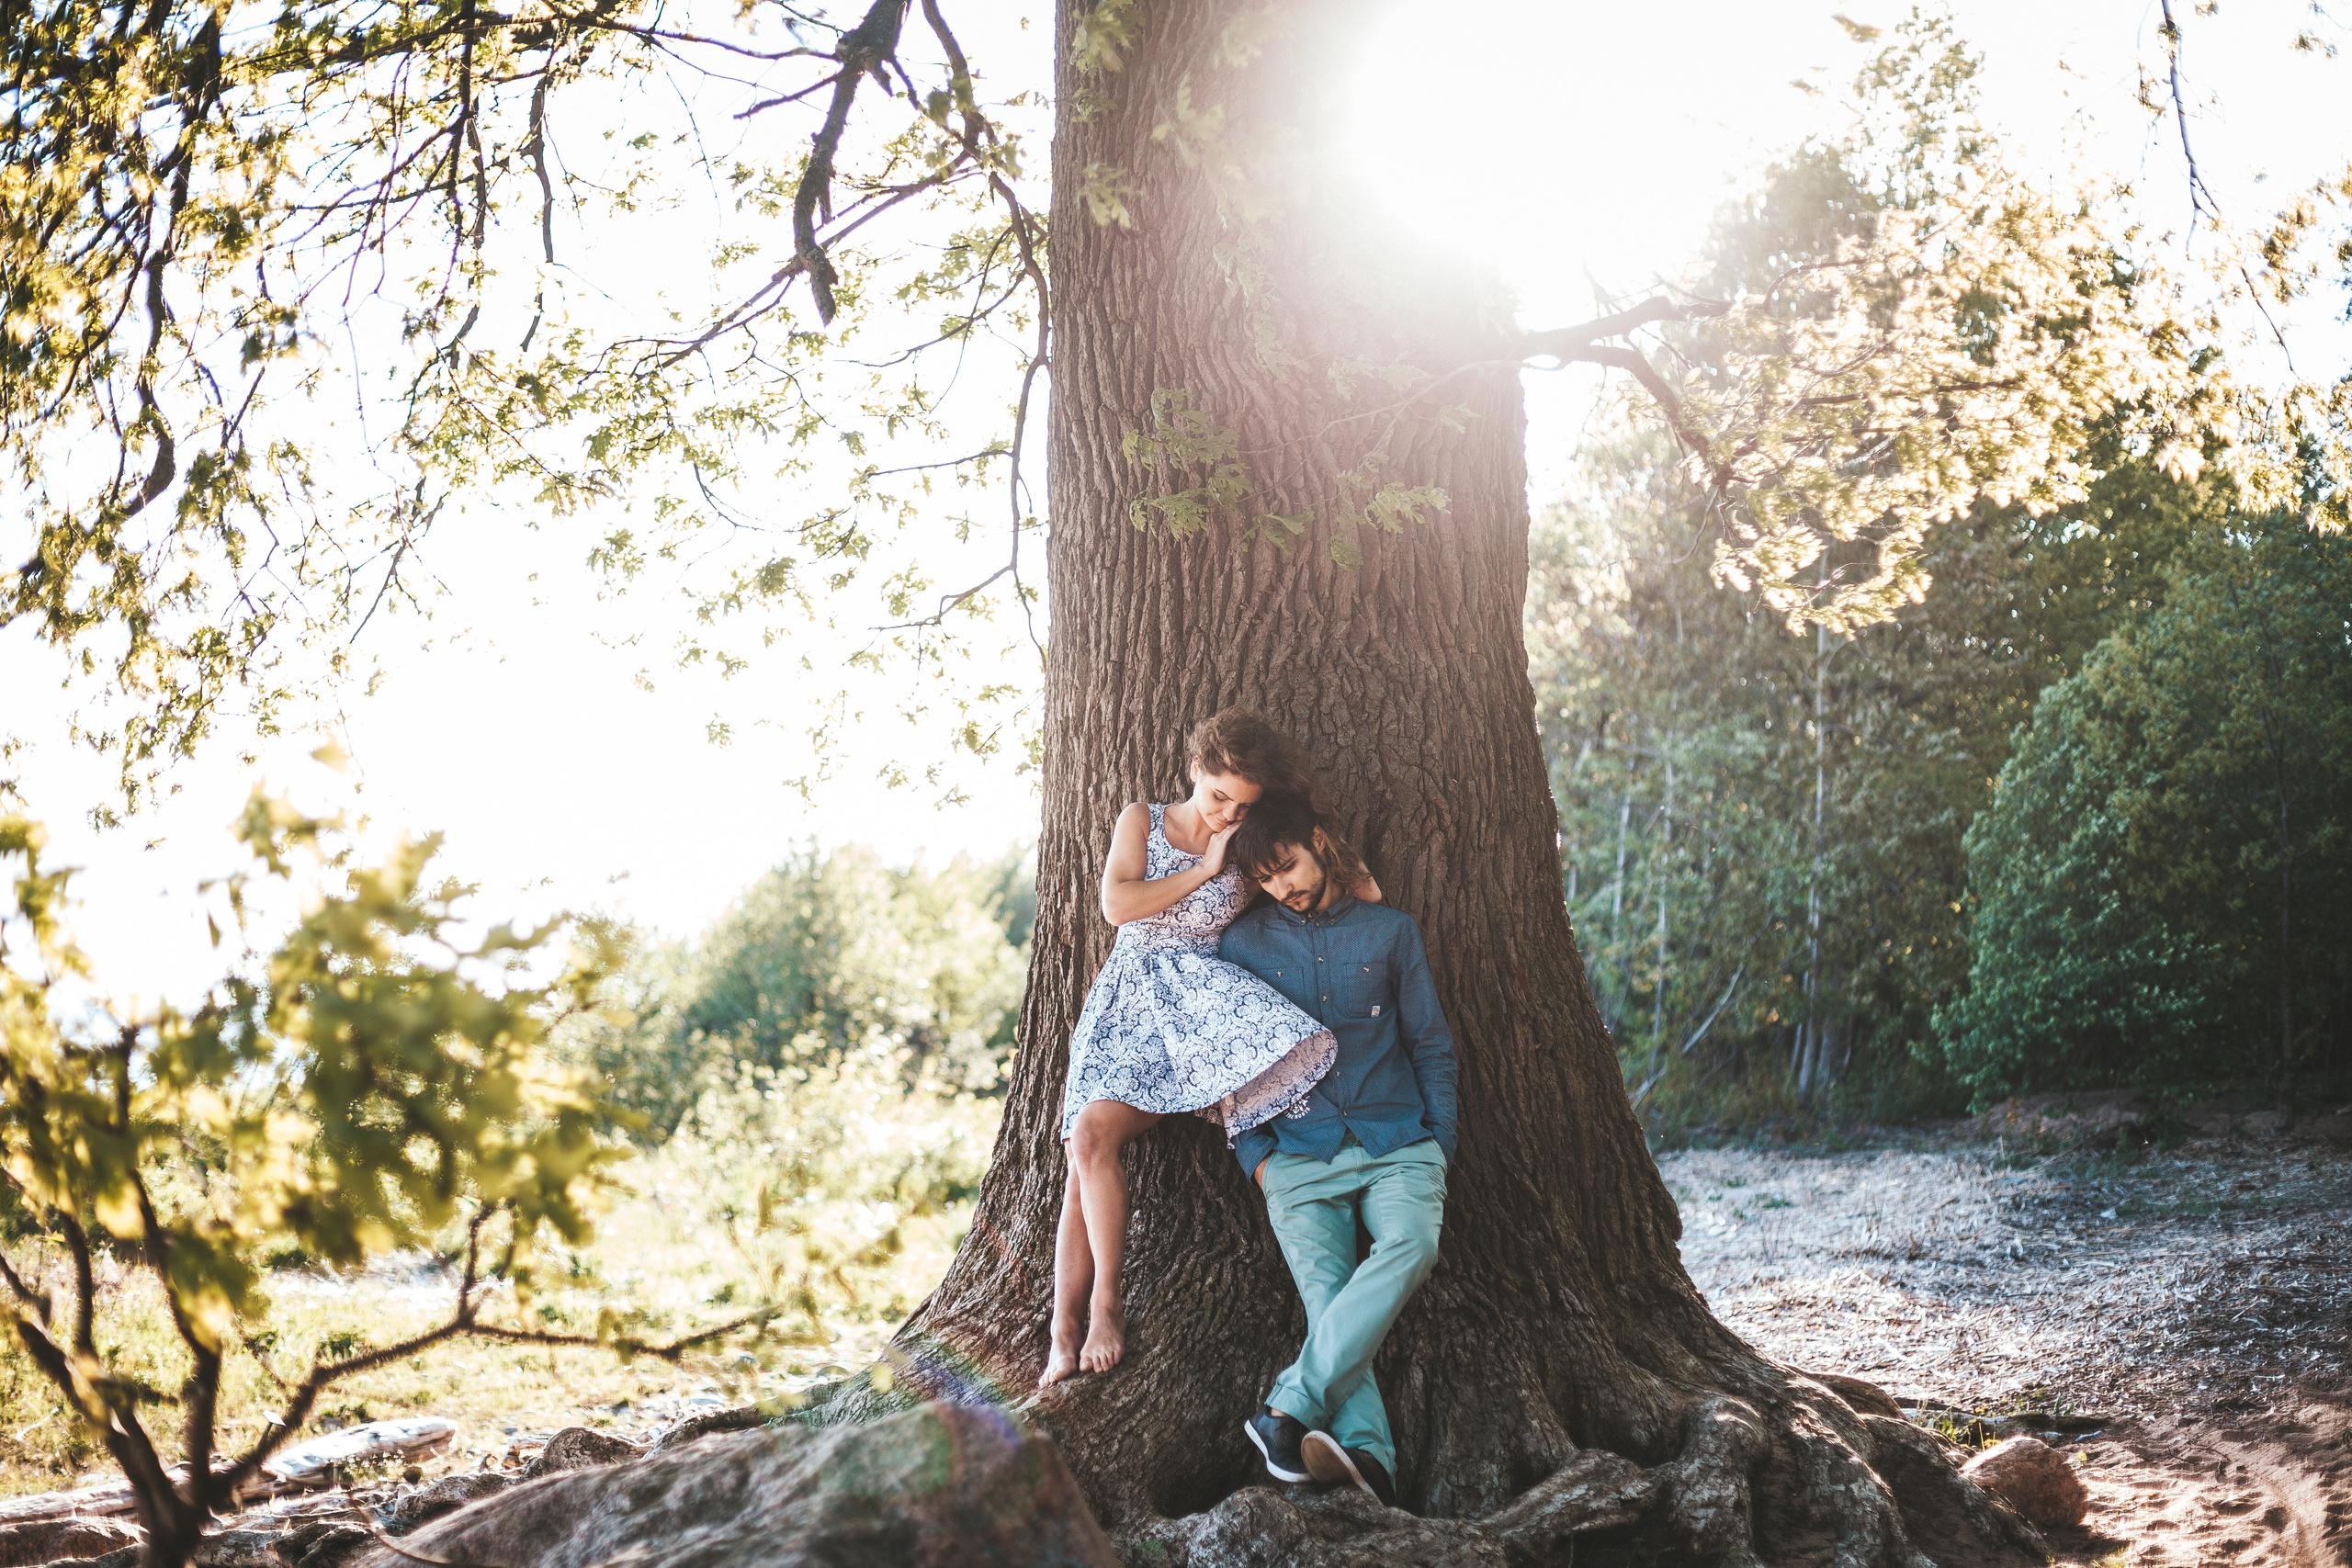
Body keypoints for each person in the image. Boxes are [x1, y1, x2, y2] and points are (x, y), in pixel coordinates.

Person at [1043, 709, 1381, 1388]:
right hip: (1124, 1002)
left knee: (1089, 1140)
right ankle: (1063, 1330)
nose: (1228, 811)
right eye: (1219, 794)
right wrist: (1205, 868)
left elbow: (1365, 890)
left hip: (1198, 1010)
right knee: (1084, 1151)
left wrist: (1313, 841)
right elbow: (1117, 904)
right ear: (1196, 769)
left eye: (1243, 803)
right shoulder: (1143, 818)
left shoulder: (1251, 836)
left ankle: (1107, 1306)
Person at [1221, 792, 1456, 1510]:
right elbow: (1225, 1064)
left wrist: (1439, 1146)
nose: (1282, 886)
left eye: (1288, 865)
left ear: (1318, 843)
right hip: (1295, 1156)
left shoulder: (1392, 933)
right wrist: (1256, 1157)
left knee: (1413, 1244)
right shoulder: (1242, 946)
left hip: (1397, 1142)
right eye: (1266, 879)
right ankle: (1373, 1464)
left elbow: (1431, 1046)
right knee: (1330, 1303)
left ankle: (1286, 1412)